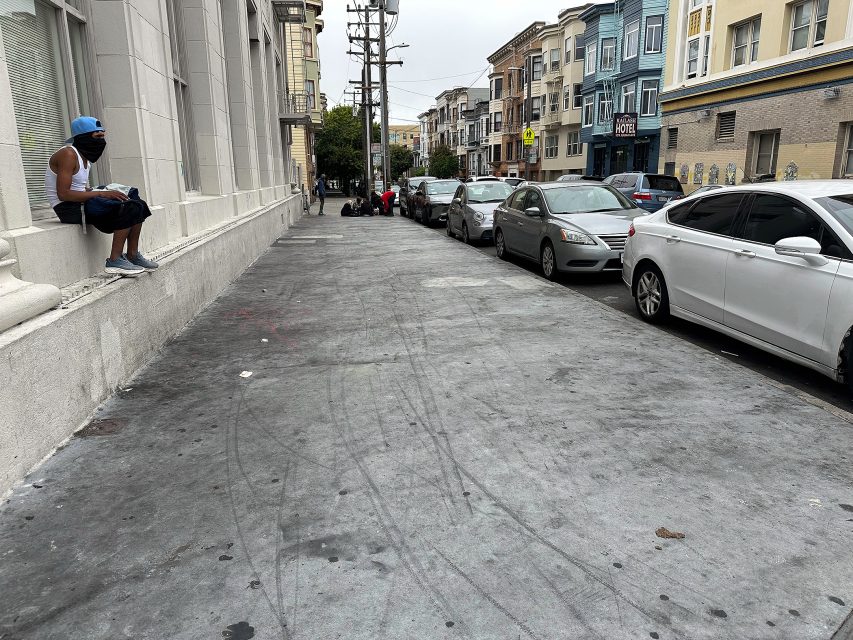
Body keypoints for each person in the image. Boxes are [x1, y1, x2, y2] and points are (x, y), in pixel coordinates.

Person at [45, 116, 157, 276]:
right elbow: (63, 194)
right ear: (83, 137)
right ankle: (114, 260)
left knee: (133, 197)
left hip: (81, 200)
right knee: (128, 206)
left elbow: (77, 186)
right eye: (98, 136)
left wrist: (97, 190)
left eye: (103, 136)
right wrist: (101, 193)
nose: (102, 141)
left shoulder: (84, 157)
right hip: (68, 208)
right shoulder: (68, 154)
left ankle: (132, 255)